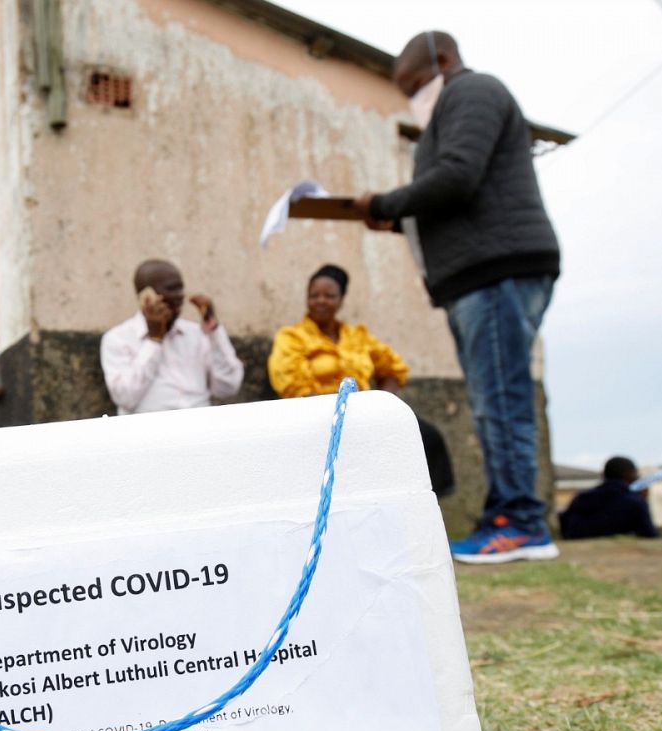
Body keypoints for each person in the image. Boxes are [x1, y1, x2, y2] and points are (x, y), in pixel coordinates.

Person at [352, 31, 561, 564]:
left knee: (502, 401)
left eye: (416, 85)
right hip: (479, 274)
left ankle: (520, 522)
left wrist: (387, 202)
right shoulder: (453, 106)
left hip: (496, 272)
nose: (414, 98)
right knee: (494, 399)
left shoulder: (471, 92)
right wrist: (397, 217)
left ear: (443, 61)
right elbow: (458, 200)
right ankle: (506, 515)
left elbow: (459, 177)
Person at [268, 264, 454, 497]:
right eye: (314, 296)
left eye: (329, 296)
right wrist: (337, 411)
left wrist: (382, 403)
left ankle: (426, 502)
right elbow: (290, 384)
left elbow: (393, 369)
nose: (321, 301)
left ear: (342, 300)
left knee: (424, 435)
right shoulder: (292, 337)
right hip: (317, 416)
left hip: (363, 415)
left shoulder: (357, 336)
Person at [100, 259, 244, 415]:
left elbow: (229, 387)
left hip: (200, 429)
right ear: (146, 297)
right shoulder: (117, 339)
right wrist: (154, 341)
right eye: (171, 289)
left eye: (180, 288)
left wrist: (214, 331)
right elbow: (124, 397)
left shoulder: (196, 334)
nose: (179, 296)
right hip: (149, 433)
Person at [559, 457, 659, 541]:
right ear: (629, 474)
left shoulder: (582, 497)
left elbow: (565, 522)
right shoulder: (635, 502)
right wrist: (643, 499)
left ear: (604, 475)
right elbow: (650, 533)